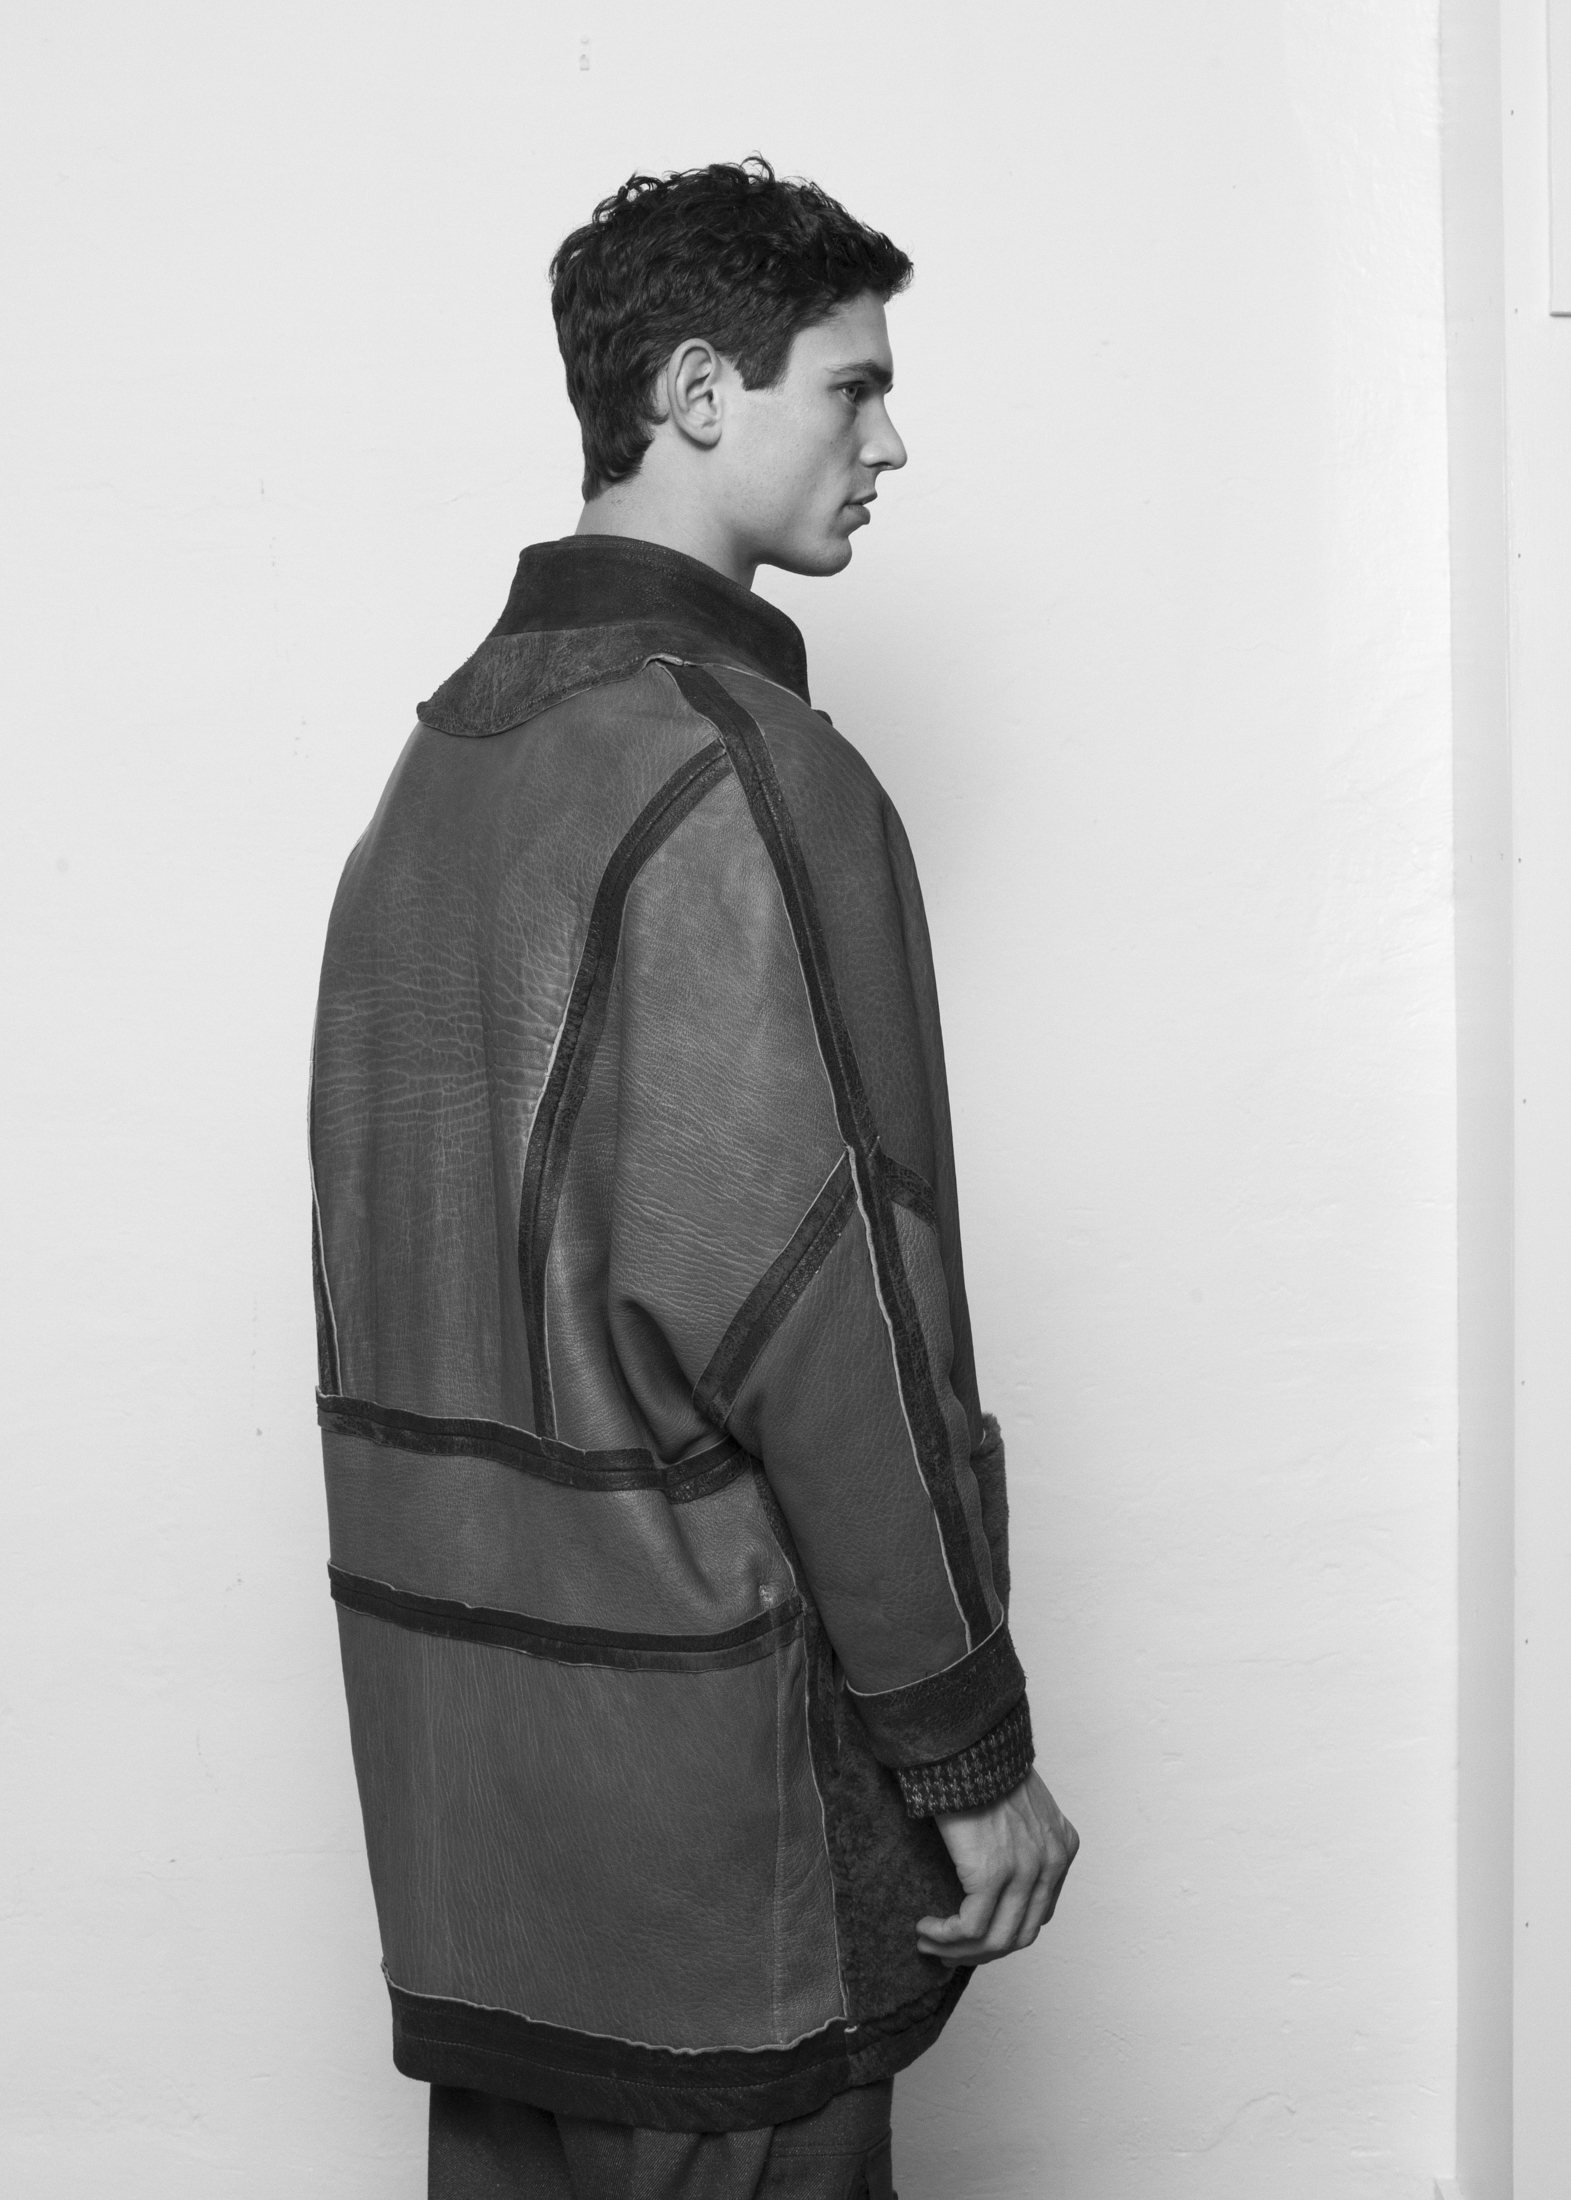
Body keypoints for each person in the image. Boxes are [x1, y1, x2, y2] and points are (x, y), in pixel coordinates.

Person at [309, 157, 1078, 2200]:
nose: (891, 444)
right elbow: (831, 1315)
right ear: (700, 393)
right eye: (855, 386)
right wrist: (969, 1750)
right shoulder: (746, 773)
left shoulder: (432, 770)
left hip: (472, 1814)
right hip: (717, 1834)